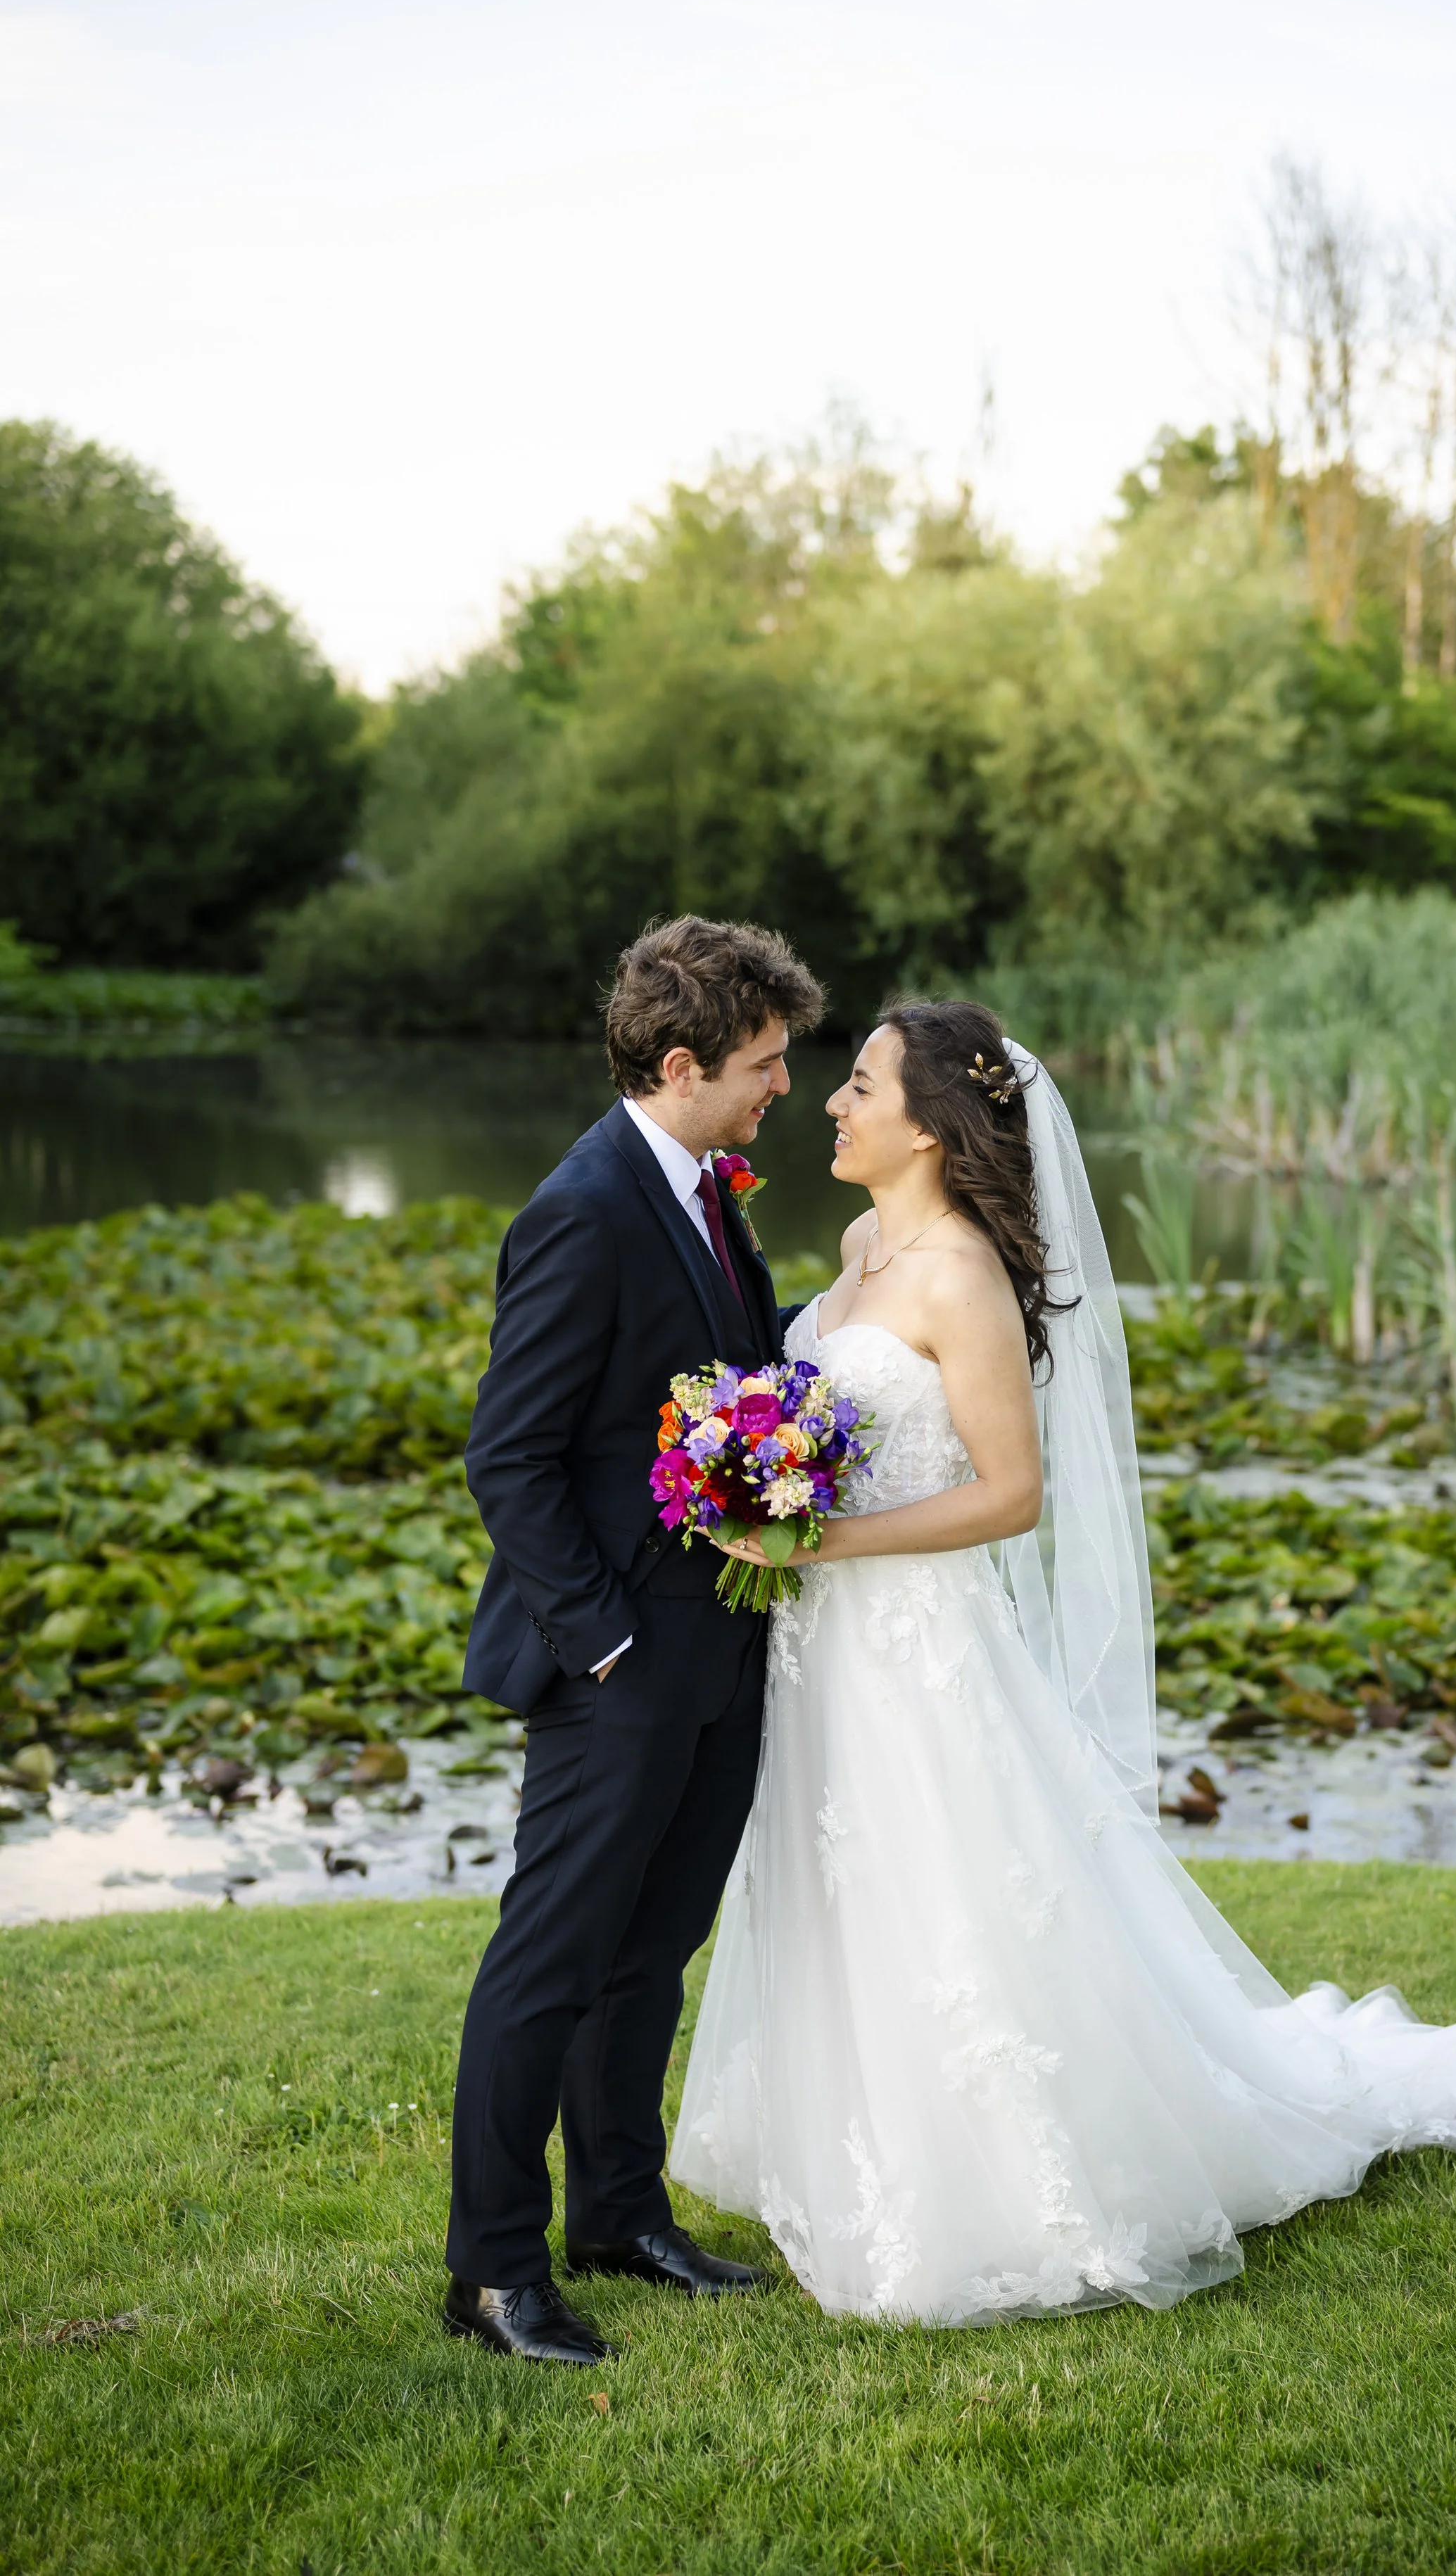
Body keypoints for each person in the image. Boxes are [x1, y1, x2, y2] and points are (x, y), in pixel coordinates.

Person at [673, 998, 1456, 2326]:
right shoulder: (867, 1241)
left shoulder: (964, 1277)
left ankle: (998, 2181)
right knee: (836, 1878)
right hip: (826, 1648)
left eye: (860, 1084)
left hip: (918, 1645)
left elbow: (1010, 1494)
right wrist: (763, 1482)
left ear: (927, 1122)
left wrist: (826, 1537)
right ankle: (851, 2146)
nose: (831, 1101)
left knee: (944, 1887)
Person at [443, 915, 823, 2364]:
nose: (783, 1085)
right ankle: (492, 2270)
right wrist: (602, 1645)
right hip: (615, 1666)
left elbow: (720, 1374)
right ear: (682, 1065)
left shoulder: (706, 1188)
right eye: (764, 1064)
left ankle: (617, 2213)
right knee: (549, 1959)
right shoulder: (585, 1208)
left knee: (650, 1952)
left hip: (717, 1650)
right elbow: (510, 1456)